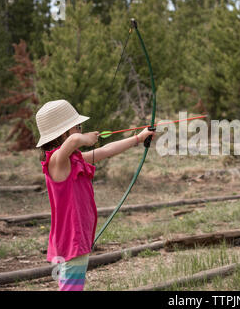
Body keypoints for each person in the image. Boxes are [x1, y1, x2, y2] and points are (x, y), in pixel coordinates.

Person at [35, 99, 154, 291]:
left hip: (72, 238)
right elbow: (74, 140)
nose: (81, 131)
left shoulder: (74, 159)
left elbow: (106, 150)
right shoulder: (57, 161)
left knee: (69, 285)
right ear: (62, 133)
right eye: (78, 127)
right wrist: (84, 139)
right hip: (71, 239)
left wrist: (138, 139)